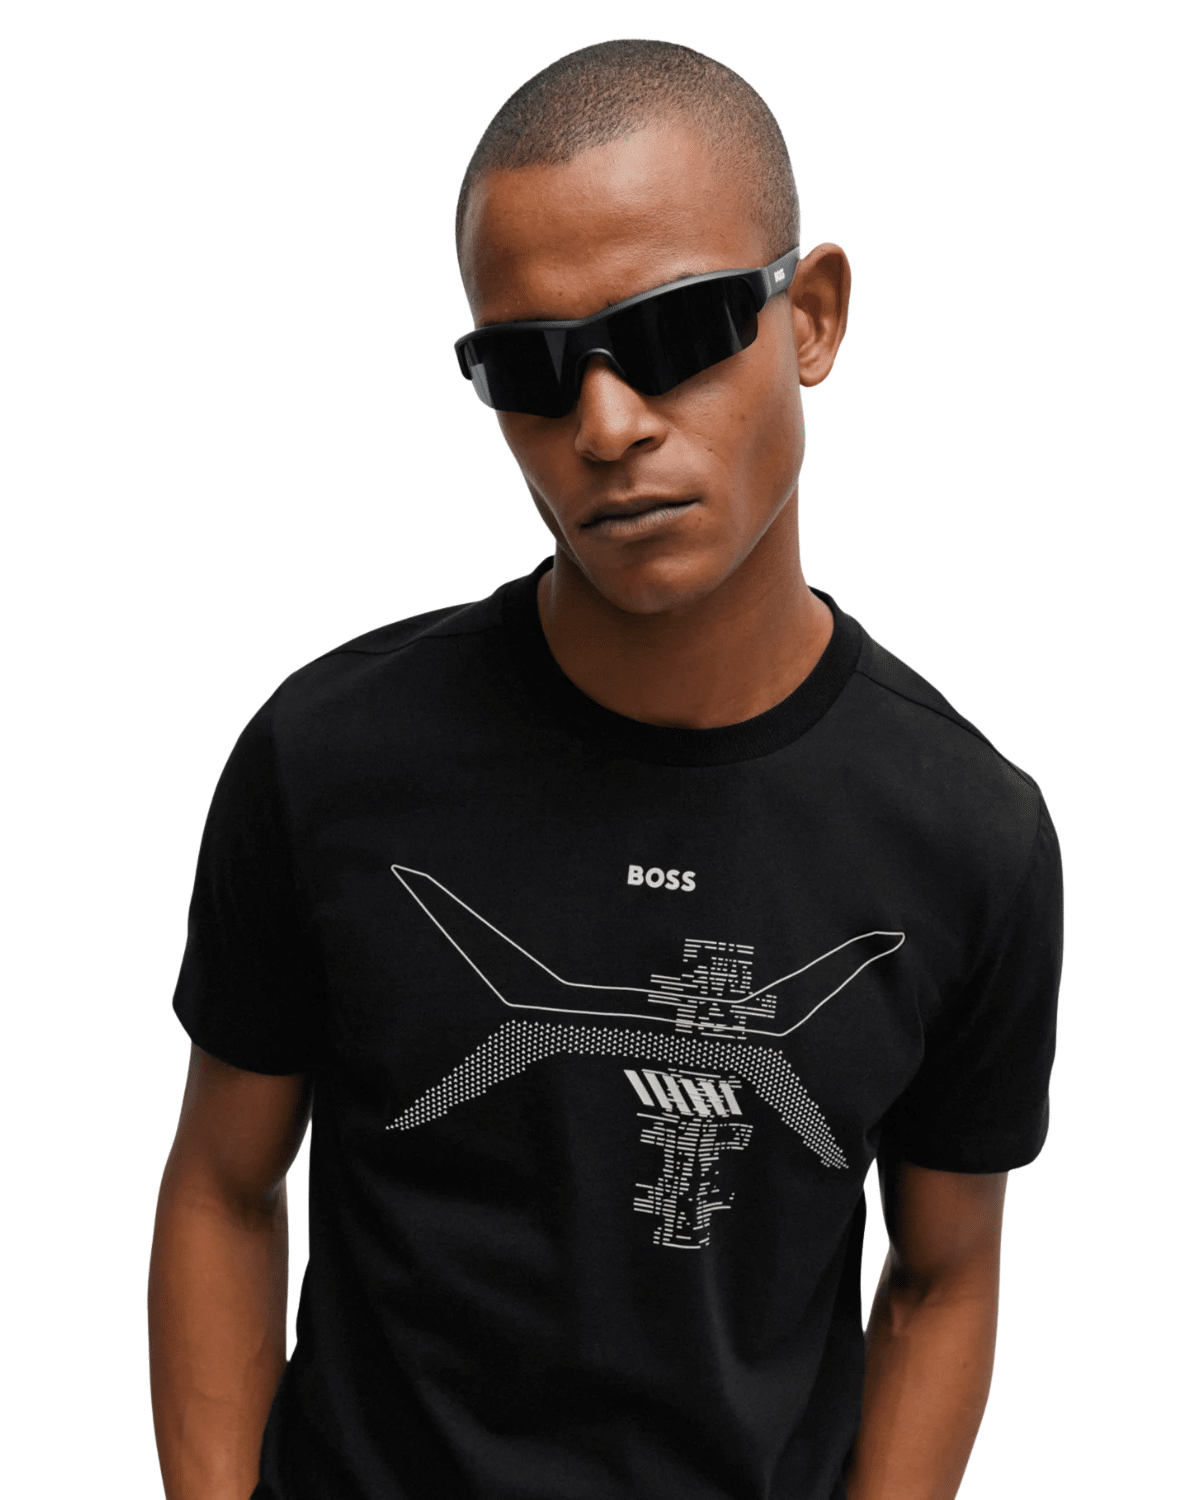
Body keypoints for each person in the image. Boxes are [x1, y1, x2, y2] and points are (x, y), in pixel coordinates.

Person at [149, 39, 1062, 1500]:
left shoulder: (966, 834)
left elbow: (943, 1278)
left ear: (812, 316)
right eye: (530, 369)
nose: (607, 424)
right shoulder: (329, 759)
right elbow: (222, 1184)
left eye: (678, 330)